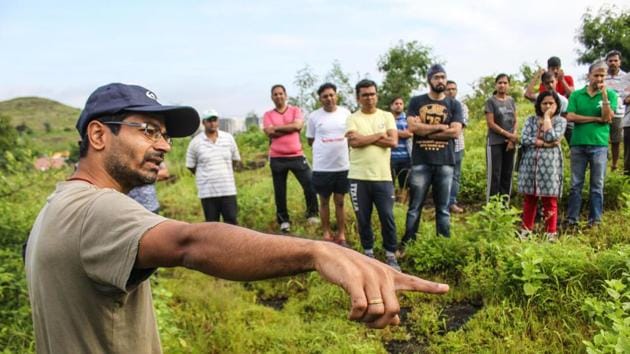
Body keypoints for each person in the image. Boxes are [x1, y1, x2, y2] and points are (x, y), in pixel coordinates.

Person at [24, 83, 449, 354]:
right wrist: (316, 252)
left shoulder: (59, 205)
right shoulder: (98, 208)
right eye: (148, 131)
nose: (164, 146)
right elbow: (190, 243)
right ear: (99, 135)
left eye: (165, 135)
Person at [401, 65, 464, 246]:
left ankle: (442, 246)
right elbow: (412, 128)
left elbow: (455, 132)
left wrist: (425, 131)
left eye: (443, 77)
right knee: (414, 207)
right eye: (436, 77)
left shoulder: (454, 104)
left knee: (443, 208)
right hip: (421, 161)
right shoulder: (416, 101)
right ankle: (408, 243)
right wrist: (441, 127)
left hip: (445, 162)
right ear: (429, 80)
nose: (440, 81)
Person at [345, 79, 400, 270]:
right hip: (358, 177)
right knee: (363, 218)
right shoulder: (353, 118)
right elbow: (354, 142)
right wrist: (379, 136)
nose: (369, 98)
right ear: (358, 97)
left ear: (377, 95)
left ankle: (391, 255)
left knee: (387, 216)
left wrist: (365, 138)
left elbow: (393, 142)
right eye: (365, 95)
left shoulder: (387, 116)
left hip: (383, 177)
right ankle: (368, 253)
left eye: (372, 94)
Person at [565, 61, 618, 228]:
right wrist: (595, 119)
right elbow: (571, 116)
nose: (599, 79)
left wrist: (604, 97)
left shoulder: (611, 95)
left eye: (602, 76)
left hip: (599, 144)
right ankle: (572, 219)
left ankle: (595, 221)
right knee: (576, 184)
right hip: (578, 143)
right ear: (589, 76)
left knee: (597, 185)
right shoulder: (577, 95)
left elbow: (608, 117)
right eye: (596, 75)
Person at [263, 85, 319, 233]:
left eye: (281, 93)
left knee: (310, 184)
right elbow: (269, 132)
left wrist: (277, 128)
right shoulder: (268, 114)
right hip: (277, 158)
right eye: (275, 94)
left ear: (285, 95)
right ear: (272, 97)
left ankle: (312, 214)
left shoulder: (295, 110)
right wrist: (290, 127)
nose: (278, 96)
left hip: (297, 155)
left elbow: (298, 125)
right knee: (280, 191)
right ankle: (284, 221)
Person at [517, 91, 567, 242]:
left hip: (550, 165)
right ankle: (526, 231)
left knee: (549, 199)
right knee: (529, 198)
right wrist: (544, 143)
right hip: (530, 164)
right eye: (544, 103)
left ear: (557, 105)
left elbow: (552, 136)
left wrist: (546, 119)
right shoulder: (530, 120)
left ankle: (550, 234)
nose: (547, 106)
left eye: (551, 103)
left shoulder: (560, 121)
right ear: (539, 104)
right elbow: (524, 138)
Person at [306, 83, 351, 245]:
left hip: (342, 166)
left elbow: (351, 137)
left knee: (340, 202)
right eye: (325, 96)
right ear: (320, 99)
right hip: (322, 167)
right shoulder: (314, 117)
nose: (329, 98)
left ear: (336, 95)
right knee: (323, 201)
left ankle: (341, 234)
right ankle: (326, 233)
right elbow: (310, 140)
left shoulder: (346, 113)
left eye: (331, 95)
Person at [186, 109, 241, 224]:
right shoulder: (195, 142)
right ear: (203, 123)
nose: (212, 123)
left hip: (227, 188)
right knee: (212, 226)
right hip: (207, 191)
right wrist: (205, 174)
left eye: (214, 120)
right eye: (209, 120)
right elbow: (191, 165)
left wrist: (225, 171)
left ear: (218, 121)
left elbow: (235, 160)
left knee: (232, 222)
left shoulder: (228, 138)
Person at [485, 74, 519, 203]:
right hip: (495, 142)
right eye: (500, 82)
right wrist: (508, 135)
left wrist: (513, 137)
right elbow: (491, 124)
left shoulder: (511, 101)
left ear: (509, 85)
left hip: (510, 143)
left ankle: (505, 205)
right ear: (495, 85)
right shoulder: (491, 101)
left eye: (505, 83)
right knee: (495, 175)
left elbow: (515, 120)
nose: (502, 85)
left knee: (507, 174)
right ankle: (492, 206)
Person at [526, 69, 571, 142]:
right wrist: (536, 76)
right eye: (547, 83)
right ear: (543, 84)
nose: (550, 85)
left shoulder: (563, 100)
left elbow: (564, 121)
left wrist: (559, 137)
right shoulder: (540, 97)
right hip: (539, 133)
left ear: (556, 81)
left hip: (555, 133)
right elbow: (527, 95)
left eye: (552, 82)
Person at [445, 80, 468, 213]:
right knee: (441, 175)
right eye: (448, 89)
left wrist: (444, 128)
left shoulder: (462, 106)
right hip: (441, 146)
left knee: (455, 176)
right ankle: (442, 203)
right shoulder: (438, 107)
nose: (451, 91)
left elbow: (459, 128)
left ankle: (452, 202)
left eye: (453, 89)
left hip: (457, 146)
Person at [604, 50, 627, 171]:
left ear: (620, 62)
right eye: (610, 61)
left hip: (619, 112)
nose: (613, 63)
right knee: (602, 137)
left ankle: (614, 164)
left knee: (616, 140)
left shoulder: (625, 77)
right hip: (603, 111)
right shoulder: (602, 76)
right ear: (606, 62)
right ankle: (603, 161)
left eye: (615, 60)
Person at [389, 97, 412, 195]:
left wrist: (393, 132)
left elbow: (410, 134)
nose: (398, 106)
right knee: (390, 183)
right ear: (391, 106)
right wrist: (402, 133)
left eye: (401, 104)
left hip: (406, 156)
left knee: (405, 184)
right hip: (390, 157)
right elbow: (383, 133)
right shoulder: (387, 119)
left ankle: (403, 203)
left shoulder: (408, 119)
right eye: (396, 103)